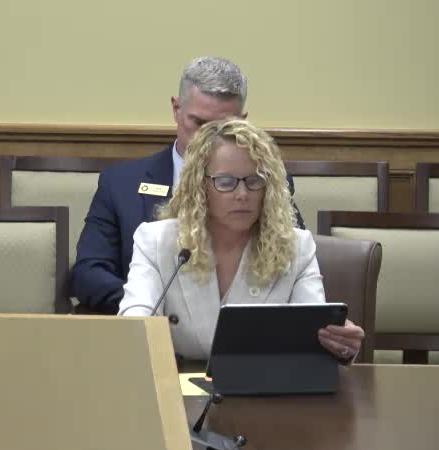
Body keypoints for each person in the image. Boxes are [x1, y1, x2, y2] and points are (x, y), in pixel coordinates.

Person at [70, 56, 305, 314]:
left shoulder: (265, 182)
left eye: (224, 127)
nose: (209, 138)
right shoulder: (121, 184)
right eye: (199, 123)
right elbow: (89, 273)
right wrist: (155, 304)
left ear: (243, 123)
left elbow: (292, 264)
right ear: (176, 109)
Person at [118, 119, 364, 361]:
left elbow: (311, 338)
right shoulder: (156, 241)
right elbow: (135, 321)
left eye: (255, 181)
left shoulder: (296, 247)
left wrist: (338, 343)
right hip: (176, 381)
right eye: (226, 182)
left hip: (263, 382)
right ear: (200, 187)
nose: (242, 194)